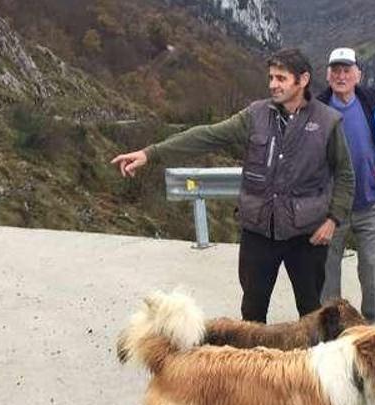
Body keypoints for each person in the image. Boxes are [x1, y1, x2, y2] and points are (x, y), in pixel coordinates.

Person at [111, 48, 354, 322]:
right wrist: (149, 153)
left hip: (306, 235)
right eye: (271, 77)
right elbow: (207, 136)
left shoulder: (327, 121)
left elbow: (345, 174)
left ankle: (311, 365)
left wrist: (332, 220)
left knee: (312, 313)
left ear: (303, 79)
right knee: (252, 310)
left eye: (281, 78)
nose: (273, 84)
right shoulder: (255, 115)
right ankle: (250, 365)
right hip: (258, 231)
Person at [316, 47, 375, 324]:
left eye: (347, 70)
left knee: (371, 268)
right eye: (336, 70)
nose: (341, 76)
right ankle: (331, 325)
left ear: (358, 75)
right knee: (327, 270)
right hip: (332, 209)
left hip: (372, 204)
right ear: (327, 75)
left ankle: (370, 323)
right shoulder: (316, 109)